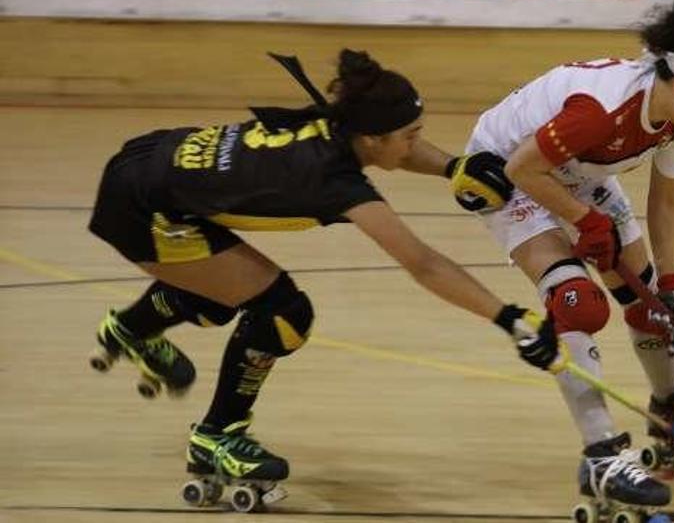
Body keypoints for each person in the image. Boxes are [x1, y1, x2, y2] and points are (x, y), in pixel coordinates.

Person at [87, 49, 560, 509]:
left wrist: (453, 168)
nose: (417, 144)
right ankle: (217, 436)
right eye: (411, 135)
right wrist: (509, 318)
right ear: (373, 139)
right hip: (141, 207)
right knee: (282, 313)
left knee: (218, 299)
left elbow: (397, 153)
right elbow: (423, 263)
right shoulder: (331, 180)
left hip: (155, 162)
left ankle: (131, 329)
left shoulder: (341, 128)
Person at [420, 0, 674, 509]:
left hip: (578, 171)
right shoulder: (602, 110)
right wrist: (584, 220)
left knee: (649, 309)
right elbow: (522, 169)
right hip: (508, 171)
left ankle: (670, 412)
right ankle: (600, 456)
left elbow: (666, 203)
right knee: (578, 302)